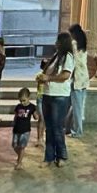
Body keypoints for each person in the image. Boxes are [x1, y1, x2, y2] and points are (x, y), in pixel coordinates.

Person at [38, 32, 75, 166]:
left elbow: (65, 75)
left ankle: (62, 156)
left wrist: (49, 78)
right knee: (49, 128)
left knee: (57, 127)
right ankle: (48, 157)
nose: (55, 43)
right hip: (48, 94)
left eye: (58, 41)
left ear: (63, 43)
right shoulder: (56, 56)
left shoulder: (68, 57)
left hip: (59, 96)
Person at [68, 24, 90, 138]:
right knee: (80, 106)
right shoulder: (84, 45)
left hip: (76, 78)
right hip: (84, 77)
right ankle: (74, 129)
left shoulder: (74, 44)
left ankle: (77, 131)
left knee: (77, 107)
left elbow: (73, 61)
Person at [11, 87, 37, 170]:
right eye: (20, 100)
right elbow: (15, 116)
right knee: (14, 145)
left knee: (22, 146)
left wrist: (36, 115)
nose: (22, 102)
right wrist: (13, 123)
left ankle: (19, 162)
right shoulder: (18, 106)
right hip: (17, 129)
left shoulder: (32, 107)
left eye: (24, 100)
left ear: (29, 98)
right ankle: (20, 156)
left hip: (25, 130)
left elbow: (36, 116)